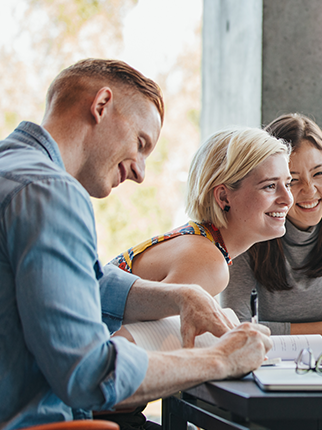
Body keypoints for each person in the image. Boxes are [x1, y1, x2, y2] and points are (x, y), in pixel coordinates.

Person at [0, 59, 273, 429]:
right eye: (140, 144)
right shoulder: (51, 192)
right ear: (101, 106)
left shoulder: (13, 170)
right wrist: (222, 359)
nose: (141, 173)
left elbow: (90, 283)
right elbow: (89, 374)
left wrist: (182, 296)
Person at [222, 113, 322, 339]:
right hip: (263, 361)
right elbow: (236, 328)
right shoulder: (248, 228)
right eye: (293, 180)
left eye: (319, 173)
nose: (309, 190)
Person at [109, 127, 293, 297]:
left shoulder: (200, 242)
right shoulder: (208, 263)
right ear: (223, 197)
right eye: (270, 186)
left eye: (288, 184)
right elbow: (131, 333)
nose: (288, 199)